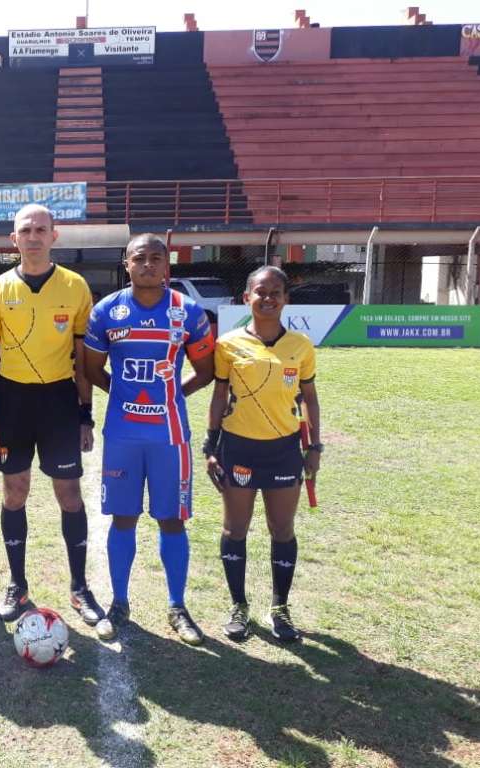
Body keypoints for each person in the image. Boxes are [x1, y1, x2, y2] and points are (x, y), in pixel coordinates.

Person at [84, 234, 216, 644]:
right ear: (126, 263)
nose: (147, 265)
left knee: (171, 519)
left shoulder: (188, 312)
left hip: (169, 437)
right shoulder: (107, 311)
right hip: (122, 435)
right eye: (139, 258)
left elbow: (206, 371)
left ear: (167, 265)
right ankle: (119, 603)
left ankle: (177, 607)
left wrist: (173, 395)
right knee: (123, 517)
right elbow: (91, 368)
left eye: (156, 258)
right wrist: (123, 393)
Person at [0, 203, 105, 625]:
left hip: (58, 403)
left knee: (69, 494)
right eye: (25, 230)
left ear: (54, 235)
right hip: (12, 404)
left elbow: (82, 357)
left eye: (40, 229)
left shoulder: (75, 286)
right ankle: (18, 585)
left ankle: (79, 587)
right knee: (14, 493)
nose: (33, 236)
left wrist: (85, 415)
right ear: (14, 238)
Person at [204, 265, 322, 642]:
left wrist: (314, 447)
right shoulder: (228, 344)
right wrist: (210, 446)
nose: (267, 298)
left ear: (286, 299)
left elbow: (310, 398)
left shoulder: (301, 345)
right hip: (237, 447)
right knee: (234, 529)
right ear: (247, 298)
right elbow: (219, 396)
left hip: (284, 450)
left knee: (282, 530)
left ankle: (280, 608)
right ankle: (239, 606)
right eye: (260, 292)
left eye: (275, 293)